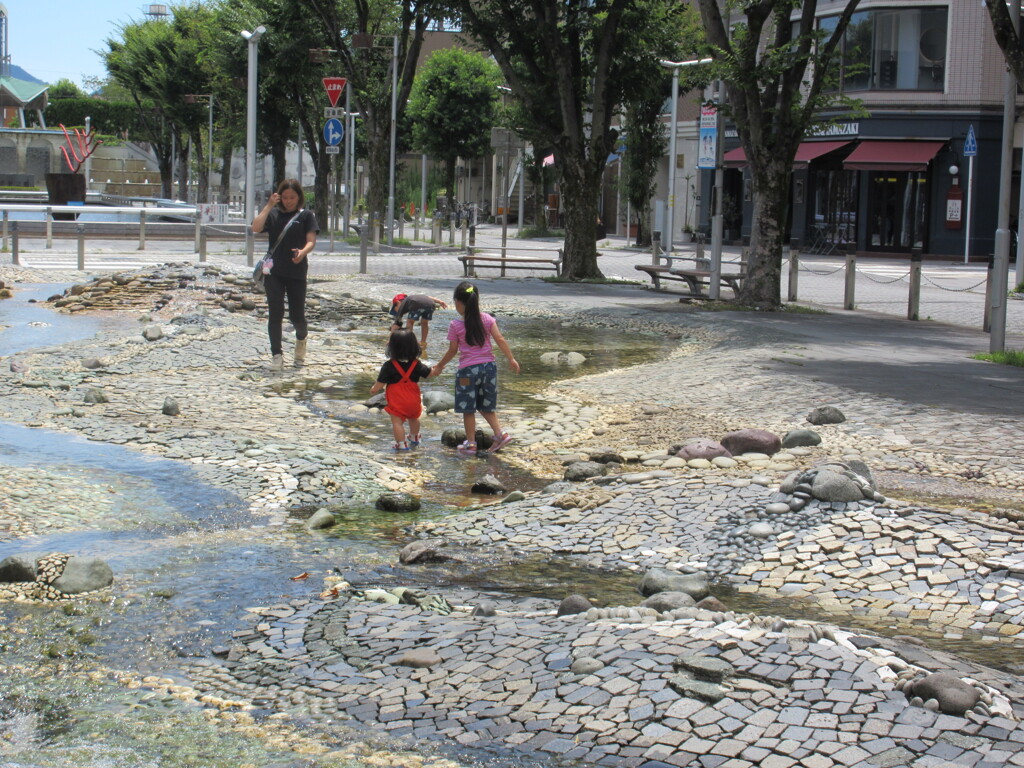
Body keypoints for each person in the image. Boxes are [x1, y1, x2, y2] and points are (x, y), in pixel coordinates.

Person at [430, 281, 520, 455]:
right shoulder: (487, 319)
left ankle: (471, 444)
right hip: (489, 368)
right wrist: (511, 358)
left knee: (468, 408)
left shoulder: (455, 325)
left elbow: (453, 350)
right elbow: (500, 339)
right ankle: (500, 434)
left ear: (458, 302)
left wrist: (440, 366)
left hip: (467, 372)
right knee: (486, 405)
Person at [252, 179, 319, 371]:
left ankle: (301, 338)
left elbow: (311, 241)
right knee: (275, 313)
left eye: (292, 197)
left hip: (297, 271)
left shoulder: (306, 216)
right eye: (285, 197)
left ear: (299, 197)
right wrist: (269, 205)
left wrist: (302, 252)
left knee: (297, 316)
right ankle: (277, 355)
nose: (289, 201)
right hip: (273, 271)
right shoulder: (274, 214)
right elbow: (255, 227)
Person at [370, 329, 432, 451]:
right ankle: (414, 437)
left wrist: (373, 390)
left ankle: (401, 444)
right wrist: (437, 368)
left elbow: (380, 384)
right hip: (413, 398)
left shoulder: (388, 366)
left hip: (397, 399)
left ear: (392, 348)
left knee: (397, 422)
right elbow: (429, 374)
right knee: (414, 418)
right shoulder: (416, 364)